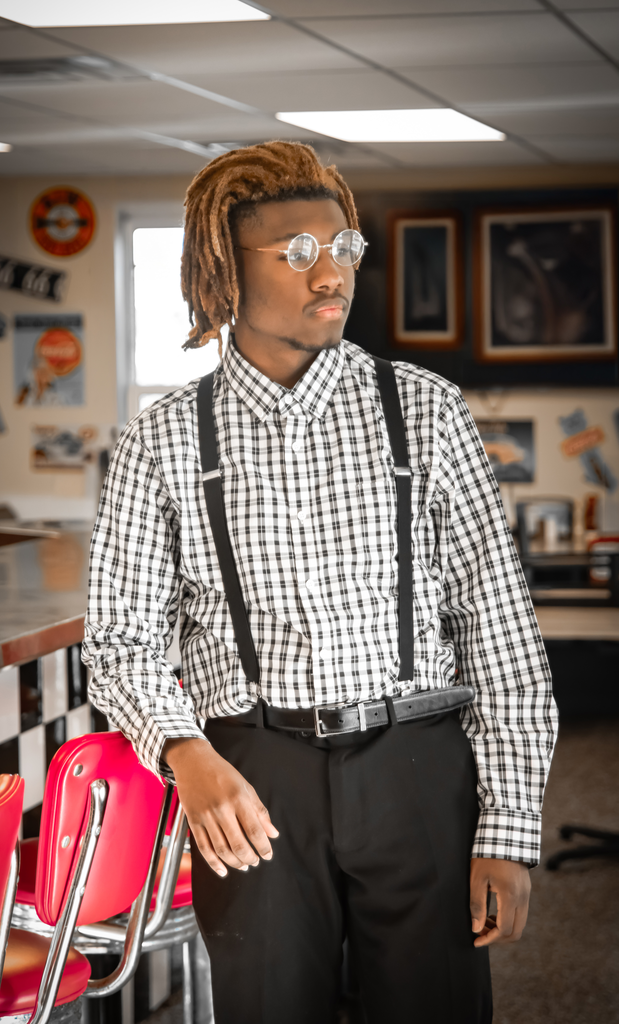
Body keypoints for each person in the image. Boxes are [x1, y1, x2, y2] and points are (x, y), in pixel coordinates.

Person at [83, 141, 558, 1024]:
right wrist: (187, 756)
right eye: (296, 253)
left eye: (342, 248)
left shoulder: (424, 410)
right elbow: (120, 643)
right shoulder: (163, 440)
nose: (329, 272)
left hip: (416, 764)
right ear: (226, 270)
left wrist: (507, 831)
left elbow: (498, 634)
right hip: (251, 776)